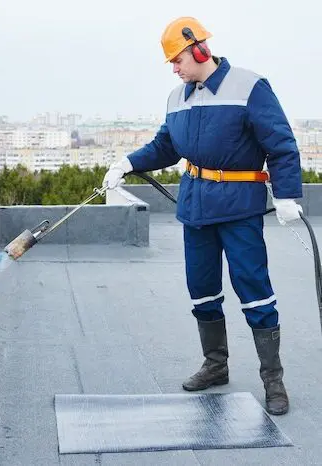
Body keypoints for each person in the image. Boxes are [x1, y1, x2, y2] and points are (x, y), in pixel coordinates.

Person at [103, 16, 303, 415]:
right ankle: (216, 366)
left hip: (238, 207)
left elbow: (281, 145)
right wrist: (127, 161)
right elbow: (166, 146)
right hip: (196, 206)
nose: (174, 69)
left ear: (199, 49)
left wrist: (287, 195)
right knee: (202, 288)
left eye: (176, 60)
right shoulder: (178, 97)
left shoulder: (250, 86)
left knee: (254, 289)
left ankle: (273, 380)